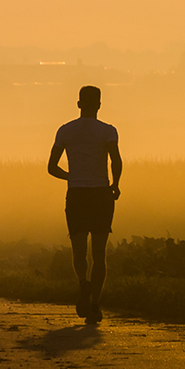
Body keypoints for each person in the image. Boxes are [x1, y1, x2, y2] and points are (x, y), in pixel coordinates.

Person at [47, 85, 123, 323]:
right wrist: (115, 184)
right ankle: (95, 304)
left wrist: (72, 176)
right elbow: (116, 161)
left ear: (79, 104)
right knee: (99, 254)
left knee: (79, 248)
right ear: (99, 105)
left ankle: (83, 282)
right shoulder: (108, 131)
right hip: (101, 193)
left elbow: (51, 167)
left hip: (77, 194)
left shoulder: (65, 131)